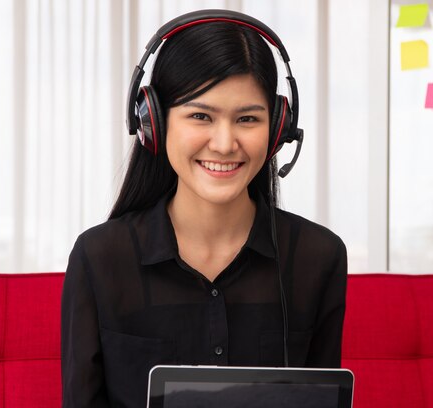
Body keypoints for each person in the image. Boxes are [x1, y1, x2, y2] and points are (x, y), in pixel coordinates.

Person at [61, 10, 347, 407]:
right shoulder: (101, 258)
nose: (225, 143)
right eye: (200, 116)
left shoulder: (318, 257)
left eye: (247, 118)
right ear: (153, 123)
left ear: (279, 128)